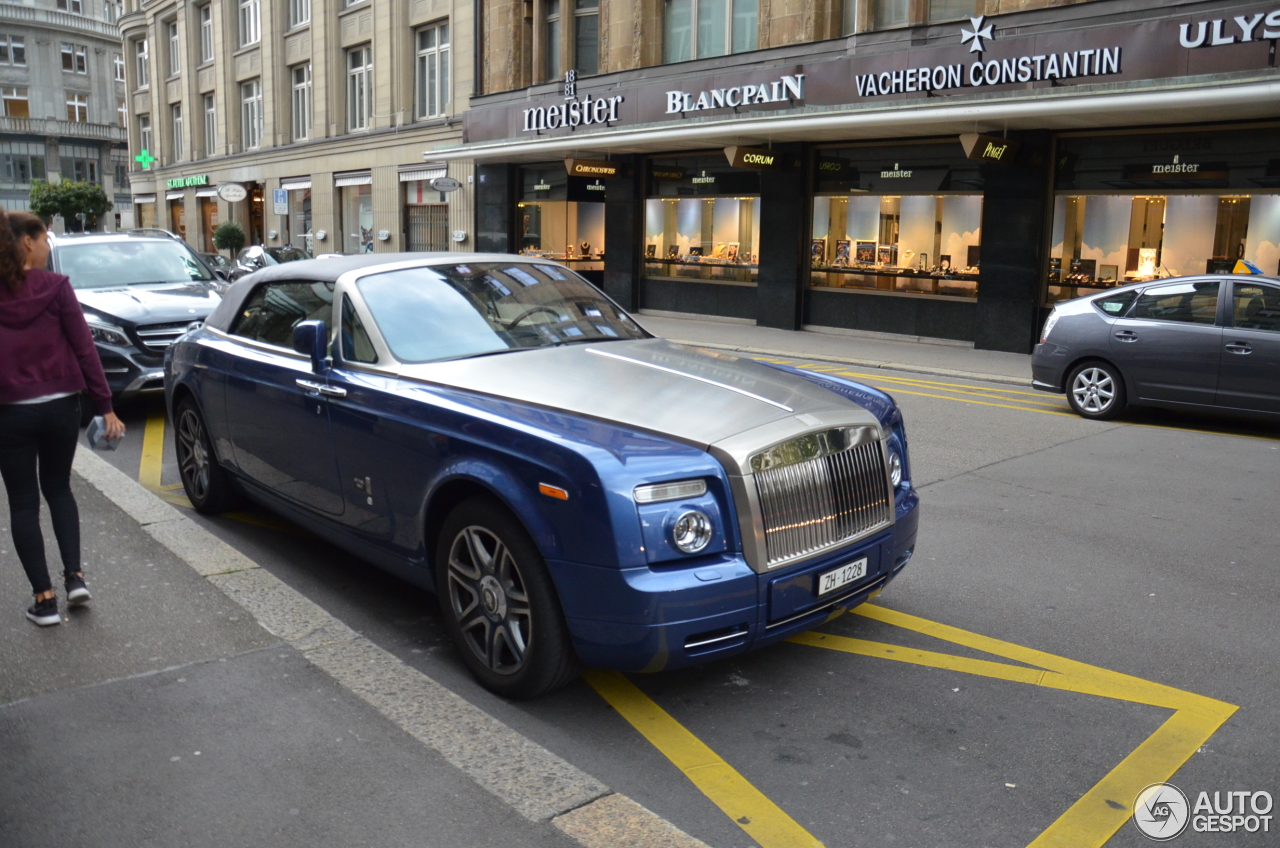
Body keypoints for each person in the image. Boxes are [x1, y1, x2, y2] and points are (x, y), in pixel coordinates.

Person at [0, 211, 124, 625]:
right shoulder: (57, 288)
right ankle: (74, 578)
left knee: (22, 503)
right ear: (28, 243)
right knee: (59, 489)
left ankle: (45, 600)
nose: (49, 243)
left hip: (10, 412)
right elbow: (85, 348)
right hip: (60, 407)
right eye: (45, 236)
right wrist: (105, 406)